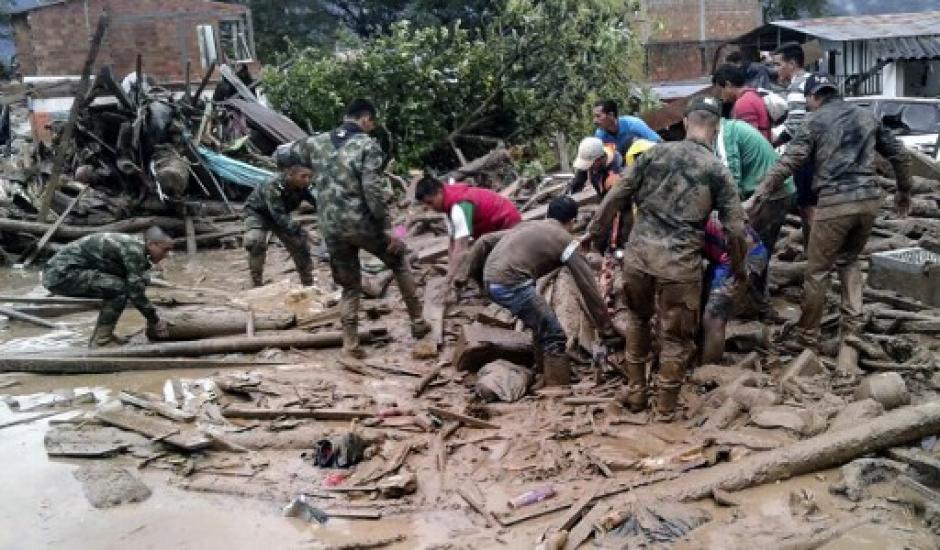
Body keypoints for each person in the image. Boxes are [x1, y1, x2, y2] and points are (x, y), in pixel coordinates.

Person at [585, 96, 747, 419]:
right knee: (675, 337)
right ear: (715, 130)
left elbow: (616, 196)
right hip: (679, 266)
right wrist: (739, 268)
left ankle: (636, 394)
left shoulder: (653, 154)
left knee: (637, 320)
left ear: (686, 123)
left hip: (638, 259)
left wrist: (594, 232)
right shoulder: (717, 171)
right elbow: (736, 230)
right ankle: (666, 409)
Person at [745, 75, 912, 355]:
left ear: (814, 97)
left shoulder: (814, 121)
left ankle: (807, 337)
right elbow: (900, 154)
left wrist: (757, 196)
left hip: (836, 202)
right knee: (849, 261)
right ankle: (853, 328)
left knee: (818, 271)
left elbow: (789, 162)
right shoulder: (866, 117)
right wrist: (903, 190)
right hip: (869, 201)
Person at [296, 99, 429, 359]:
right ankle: (418, 323)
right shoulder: (368, 145)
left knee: (349, 286)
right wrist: (389, 228)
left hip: (330, 226)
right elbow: (372, 190)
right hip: (362, 223)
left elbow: (284, 156)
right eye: (372, 123)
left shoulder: (316, 142)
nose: (372, 128)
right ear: (366, 118)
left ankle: (350, 343)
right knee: (399, 260)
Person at [454, 196, 615, 385]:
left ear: (548, 214)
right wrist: (606, 328)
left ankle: (542, 372)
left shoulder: (528, 226)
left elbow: (485, 240)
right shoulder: (565, 240)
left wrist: (467, 277)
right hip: (511, 284)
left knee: (541, 323)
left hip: (493, 281)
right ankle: (557, 388)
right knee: (554, 334)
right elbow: (587, 285)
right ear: (572, 222)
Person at [716, 117, 795, 320]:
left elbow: (731, 179)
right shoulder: (734, 127)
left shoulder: (724, 134)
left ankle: (755, 305)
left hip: (769, 196)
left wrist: (725, 214)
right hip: (777, 192)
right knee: (760, 250)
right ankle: (756, 302)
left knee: (752, 250)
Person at [42, 227, 173, 347]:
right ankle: (102, 340)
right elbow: (135, 293)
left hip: (66, 271)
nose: (167, 255)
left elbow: (133, 276)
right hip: (60, 276)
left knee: (127, 284)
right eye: (165, 250)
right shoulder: (134, 250)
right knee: (120, 290)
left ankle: (103, 336)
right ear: (151, 244)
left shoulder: (136, 245)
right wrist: (155, 321)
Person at [414, 174, 521, 284]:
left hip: (506, 224)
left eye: (430, 203)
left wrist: (449, 280)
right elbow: (452, 243)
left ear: (439, 192)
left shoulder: (459, 207)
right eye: (426, 205)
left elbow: (461, 249)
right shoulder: (448, 203)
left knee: (490, 267)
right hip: (490, 228)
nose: (431, 208)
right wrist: (450, 271)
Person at [243, 145, 316, 287]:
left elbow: (319, 203)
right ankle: (256, 282)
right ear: (289, 174)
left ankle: (308, 284)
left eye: (309, 176)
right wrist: (305, 232)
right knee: (255, 240)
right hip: (258, 214)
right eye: (303, 176)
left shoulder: (305, 186)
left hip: (279, 214)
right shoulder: (273, 186)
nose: (307, 180)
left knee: (299, 244)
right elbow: (280, 217)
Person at [701, 215, 769, 363]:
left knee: (713, 316)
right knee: (703, 305)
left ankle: (708, 371)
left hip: (743, 255)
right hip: (721, 253)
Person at [772, 42, 815, 245]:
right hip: (825, 151)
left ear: (792, 63)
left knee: (807, 207)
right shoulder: (813, 82)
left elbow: (795, 126)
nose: (776, 69)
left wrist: (772, 143)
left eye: (779, 64)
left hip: (807, 155)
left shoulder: (798, 88)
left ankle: (812, 250)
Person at [568, 137, 631, 251]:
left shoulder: (615, 175)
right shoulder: (593, 161)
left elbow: (615, 209)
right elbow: (577, 182)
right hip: (605, 202)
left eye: (591, 165)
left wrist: (613, 244)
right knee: (598, 237)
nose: (589, 168)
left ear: (599, 159)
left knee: (614, 240)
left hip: (622, 206)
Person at [713, 63, 772, 141]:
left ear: (728, 84)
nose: (721, 97)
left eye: (721, 91)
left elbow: (750, 140)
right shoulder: (752, 95)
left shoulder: (744, 103)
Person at [592, 99, 661, 158]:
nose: (594, 121)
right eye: (594, 116)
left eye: (598, 116)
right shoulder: (600, 135)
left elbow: (659, 143)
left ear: (611, 115)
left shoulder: (634, 124)